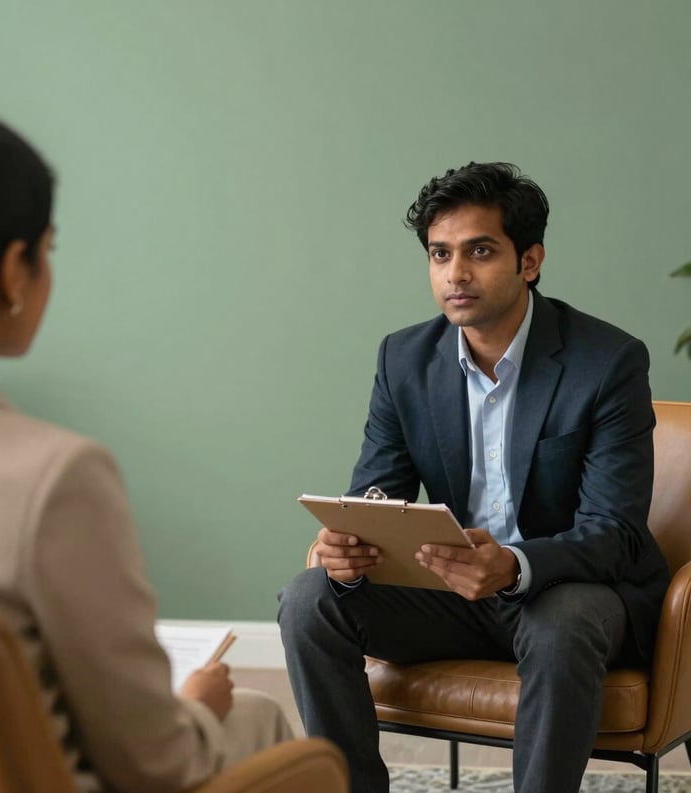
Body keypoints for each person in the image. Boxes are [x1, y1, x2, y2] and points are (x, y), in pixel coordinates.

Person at [0, 109, 293, 793]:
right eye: (49, 248)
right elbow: (158, 765)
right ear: (12, 272)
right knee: (256, 714)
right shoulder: (54, 476)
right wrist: (197, 707)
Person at [277, 162, 670, 793]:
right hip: (453, 591)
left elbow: (615, 532)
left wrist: (513, 565)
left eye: (479, 251)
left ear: (529, 261)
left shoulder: (607, 362)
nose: (455, 273)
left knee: (561, 621)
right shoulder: (404, 359)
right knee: (308, 598)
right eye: (440, 254)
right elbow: (378, 492)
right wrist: (349, 545)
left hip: (569, 591)